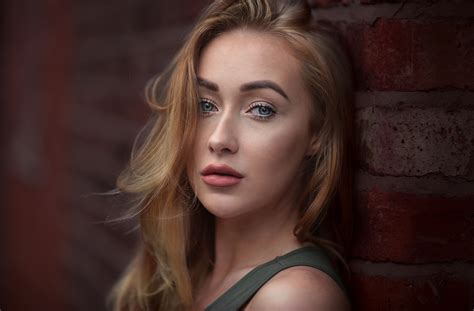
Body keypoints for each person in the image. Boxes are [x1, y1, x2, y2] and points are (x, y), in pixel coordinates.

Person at [108, 0, 354, 310]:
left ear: (316, 133)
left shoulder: (293, 299)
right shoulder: (189, 271)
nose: (219, 139)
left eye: (261, 109)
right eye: (205, 105)